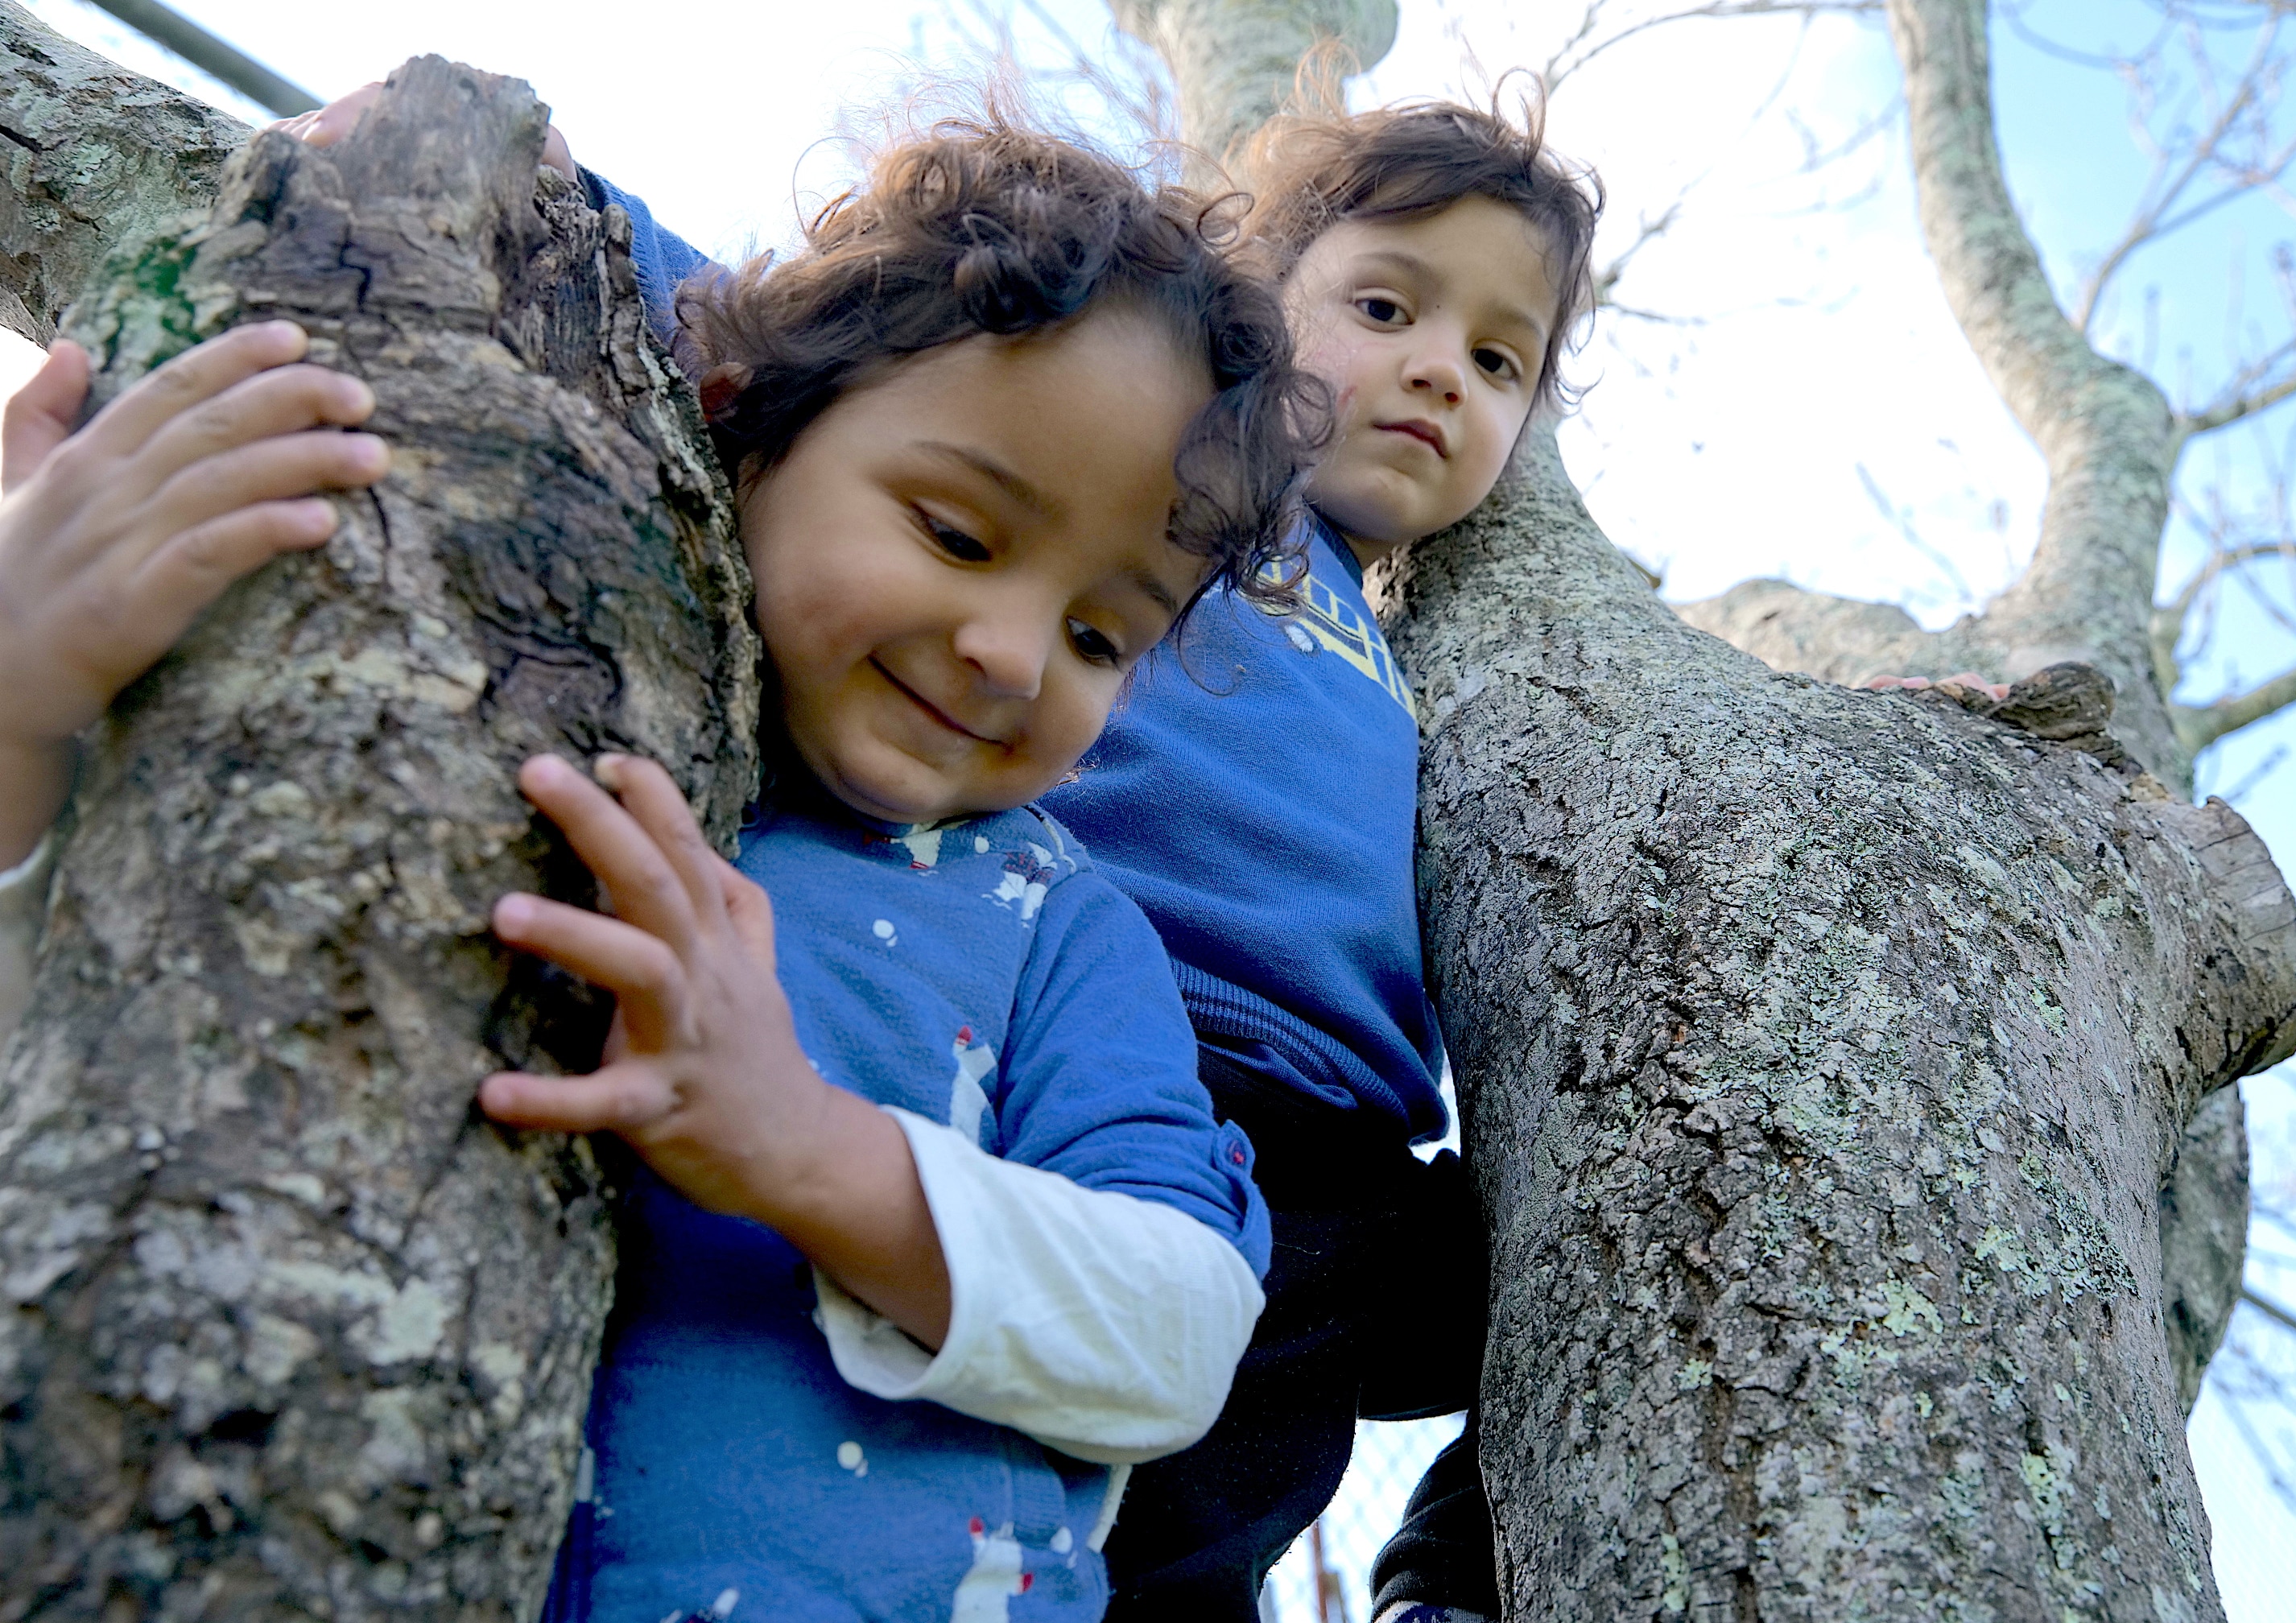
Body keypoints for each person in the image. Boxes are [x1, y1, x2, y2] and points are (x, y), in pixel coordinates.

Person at [277, 75, 1601, 1621]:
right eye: (1384, 305)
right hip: (1107, 1023)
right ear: (1268, 294)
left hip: (1348, 1139)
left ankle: (1442, 1583)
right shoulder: (1151, 477)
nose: (1439, 373)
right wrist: (535, 175)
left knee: (1585, 1282)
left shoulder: (1410, 659)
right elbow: (767, 332)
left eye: (1500, 361)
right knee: (1167, 1519)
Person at [0, 110, 1330, 1621]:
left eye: (1105, 636)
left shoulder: (1049, 921)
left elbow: (1183, 1329)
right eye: (958, 533)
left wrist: (813, 1154)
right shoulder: (485, 693)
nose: (1015, 654)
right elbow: (91, 1047)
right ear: (740, 422)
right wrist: (23, 690)